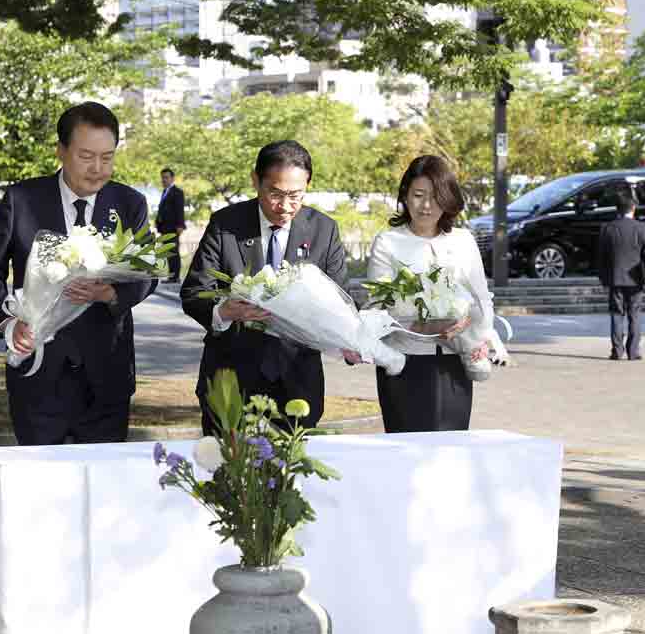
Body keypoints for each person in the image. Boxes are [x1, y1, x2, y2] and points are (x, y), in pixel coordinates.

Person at [0, 102, 154, 446]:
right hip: (39, 371)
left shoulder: (130, 203)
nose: (98, 168)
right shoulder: (22, 199)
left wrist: (112, 294)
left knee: (101, 488)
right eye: (86, 156)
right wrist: (8, 322)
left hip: (107, 376)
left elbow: (147, 271)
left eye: (107, 157)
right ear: (61, 151)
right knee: (42, 488)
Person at [181, 140, 349, 434]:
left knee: (291, 475)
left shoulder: (323, 229)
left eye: (295, 196)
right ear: (255, 180)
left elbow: (344, 298)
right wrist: (223, 312)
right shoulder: (226, 224)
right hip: (231, 375)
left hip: (297, 380)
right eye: (275, 193)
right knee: (228, 471)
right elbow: (195, 291)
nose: (285, 206)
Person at [366, 155, 503, 432]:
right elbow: (379, 306)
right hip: (405, 363)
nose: (426, 205)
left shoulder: (463, 241)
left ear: (447, 198)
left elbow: (481, 299)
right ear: (405, 195)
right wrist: (422, 325)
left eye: (435, 196)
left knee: (450, 452)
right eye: (418, 195)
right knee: (407, 449)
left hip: (454, 362)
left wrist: (472, 328)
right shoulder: (388, 242)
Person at [595, 194, 645, 361]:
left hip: (614, 278)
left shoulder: (607, 228)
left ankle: (617, 351)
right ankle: (633, 352)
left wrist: (602, 277)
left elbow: (601, 256)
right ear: (633, 209)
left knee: (616, 314)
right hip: (636, 279)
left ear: (617, 210)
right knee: (634, 314)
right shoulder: (641, 228)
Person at [154, 167, 186, 282]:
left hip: (173, 228)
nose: (164, 180)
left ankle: (175, 277)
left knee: (173, 252)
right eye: (162, 178)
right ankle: (171, 275)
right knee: (168, 252)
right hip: (164, 228)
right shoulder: (164, 192)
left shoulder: (177, 192)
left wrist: (180, 225)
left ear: (172, 178)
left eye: (166, 177)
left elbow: (179, 210)